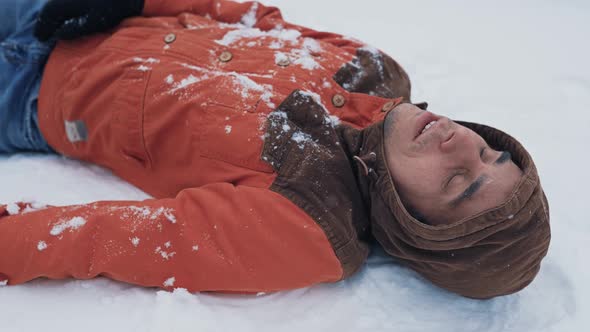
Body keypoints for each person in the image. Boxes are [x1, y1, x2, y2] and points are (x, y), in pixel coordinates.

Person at [0, 0, 550, 299]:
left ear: (415, 224)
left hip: (25, 92)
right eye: (492, 154)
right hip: (61, 13)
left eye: (457, 182)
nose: (462, 145)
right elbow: (256, 20)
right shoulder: (379, 71)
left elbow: (110, 238)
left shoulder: (310, 219)